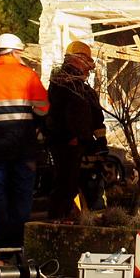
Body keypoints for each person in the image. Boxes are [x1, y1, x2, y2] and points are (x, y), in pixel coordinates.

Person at [0, 33, 49, 247]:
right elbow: (43, 108)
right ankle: (18, 243)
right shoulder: (27, 76)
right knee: (22, 193)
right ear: (15, 52)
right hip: (23, 147)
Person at [46, 41, 106, 219]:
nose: (89, 67)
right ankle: (57, 220)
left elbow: (96, 116)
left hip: (82, 143)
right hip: (67, 144)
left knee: (83, 183)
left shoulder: (83, 90)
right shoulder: (62, 86)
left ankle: (77, 219)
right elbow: (56, 115)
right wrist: (69, 137)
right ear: (77, 59)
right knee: (65, 184)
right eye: (87, 60)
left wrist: (100, 141)